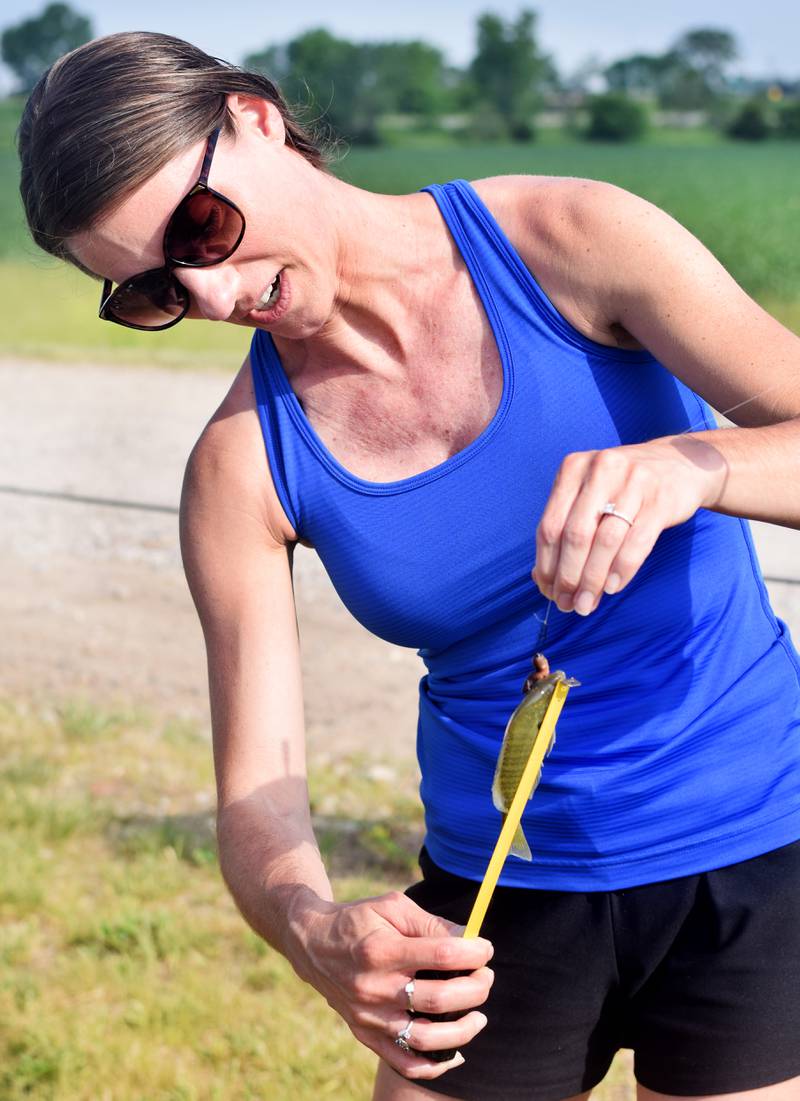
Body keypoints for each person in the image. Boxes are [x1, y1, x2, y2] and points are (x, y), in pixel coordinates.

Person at [18, 30, 800, 1101]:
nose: (203, 295)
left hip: (752, 855)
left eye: (196, 229)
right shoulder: (241, 466)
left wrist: (694, 466)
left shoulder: (571, 239)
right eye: (149, 291)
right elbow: (257, 790)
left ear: (254, 117)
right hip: (490, 902)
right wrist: (310, 929)